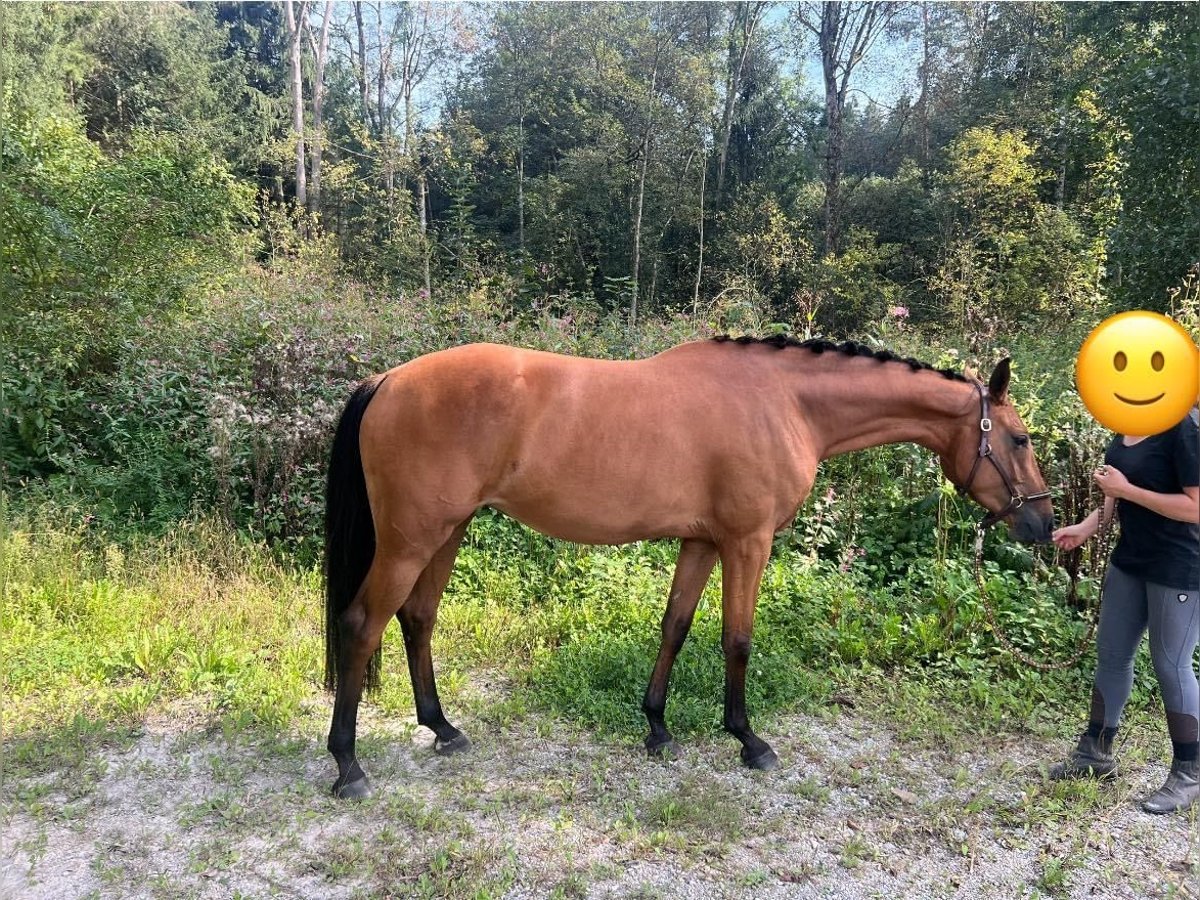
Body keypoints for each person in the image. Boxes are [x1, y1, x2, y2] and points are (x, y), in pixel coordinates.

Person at [1049, 407, 1200, 813]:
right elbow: (1115, 493)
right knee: (1112, 656)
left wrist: (1128, 491)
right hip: (1130, 561)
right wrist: (1087, 526)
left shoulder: (1184, 427)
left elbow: (1195, 507)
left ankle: (1189, 773)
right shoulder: (1128, 423)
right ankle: (1094, 754)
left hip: (1179, 566)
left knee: (1171, 664)